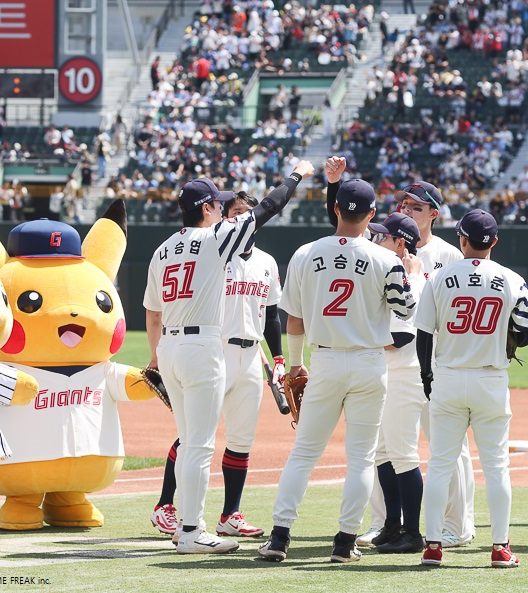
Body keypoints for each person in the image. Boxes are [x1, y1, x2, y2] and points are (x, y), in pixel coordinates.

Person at [144, 162, 314, 555]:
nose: (222, 209)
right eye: (217, 204)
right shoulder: (215, 238)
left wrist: (156, 355)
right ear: (206, 208)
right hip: (203, 346)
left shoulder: (162, 248)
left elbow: (153, 312)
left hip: (170, 345)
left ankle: (186, 523)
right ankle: (190, 530)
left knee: (190, 442)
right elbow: (270, 206)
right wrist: (296, 174)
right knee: (200, 445)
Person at [258, 171, 415, 564]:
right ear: (372, 213)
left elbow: (292, 319)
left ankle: (279, 538)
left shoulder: (305, 252)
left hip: (324, 358)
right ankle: (344, 543)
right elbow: (406, 309)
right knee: (361, 457)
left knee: (304, 453)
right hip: (368, 361)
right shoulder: (385, 258)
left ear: (334, 208)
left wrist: (295, 365)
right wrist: (409, 275)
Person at [415, 209, 528, 568]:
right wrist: (507, 339)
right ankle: (500, 547)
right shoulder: (510, 278)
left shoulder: (440, 277)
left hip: (450, 376)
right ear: (495, 242)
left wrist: (427, 376)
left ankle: (434, 546)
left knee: (439, 465)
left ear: (462, 239)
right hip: (490, 378)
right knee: (497, 467)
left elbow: (424, 333)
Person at [362, 182, 473, 551]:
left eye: (417, 206)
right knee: (386, 444)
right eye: (404, 204)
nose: (408, 209)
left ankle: (456, 524)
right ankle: (385, 522)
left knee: (447, 446)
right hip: (394, 364)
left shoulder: (449, 255)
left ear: (433, 214)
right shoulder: (380, 252)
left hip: (436, 363)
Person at [325, 169, 426, 554]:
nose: (375, 236)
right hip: (383, 372)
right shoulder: (384, 269)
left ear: (401, 243)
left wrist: (358, 340)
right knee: (382, 452)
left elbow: (399, 335)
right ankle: (392, 526)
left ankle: (413, 534)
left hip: (403, 373)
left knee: (401, 452)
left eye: (382, 234)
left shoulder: (410, 276)